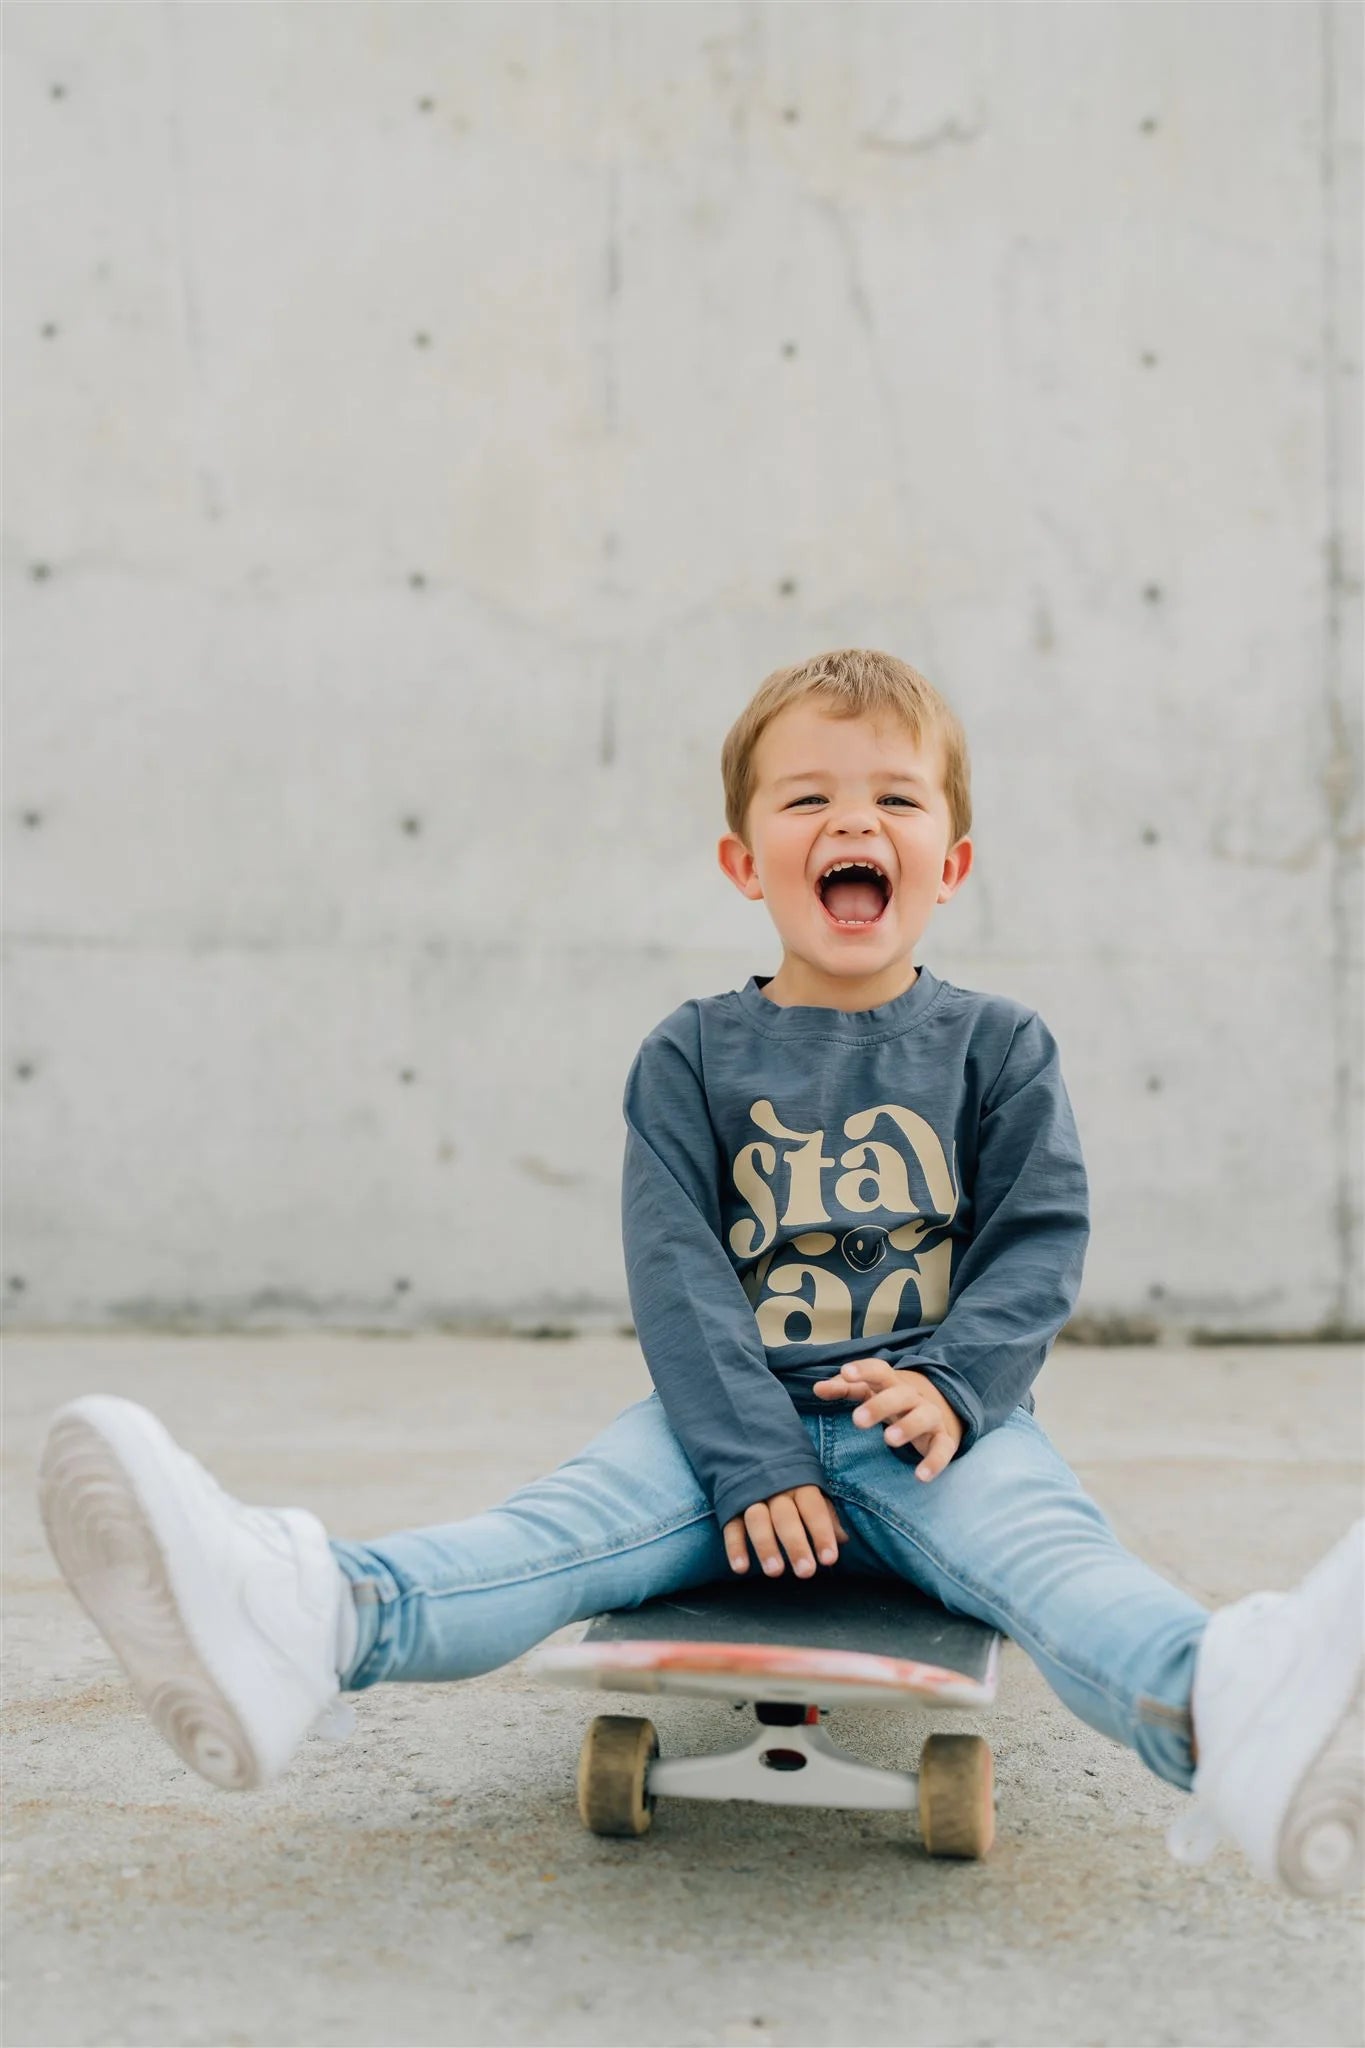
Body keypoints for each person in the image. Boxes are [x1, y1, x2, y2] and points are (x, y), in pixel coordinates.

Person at [37, 647, 1362, 1898]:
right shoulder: (691, 1055)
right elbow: (677, 1271)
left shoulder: (997, 1047)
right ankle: (300, 1621)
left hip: (937, 1434)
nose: (856, 820)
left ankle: (1231, 1710)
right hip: (722, 1436)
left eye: (894, 796)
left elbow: (1036, 1239)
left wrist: (955, 1388)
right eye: (810, 798)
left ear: (947, 860)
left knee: (1060, 1566)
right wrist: (750, 1454)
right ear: (746, 859)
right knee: (536, 1546)